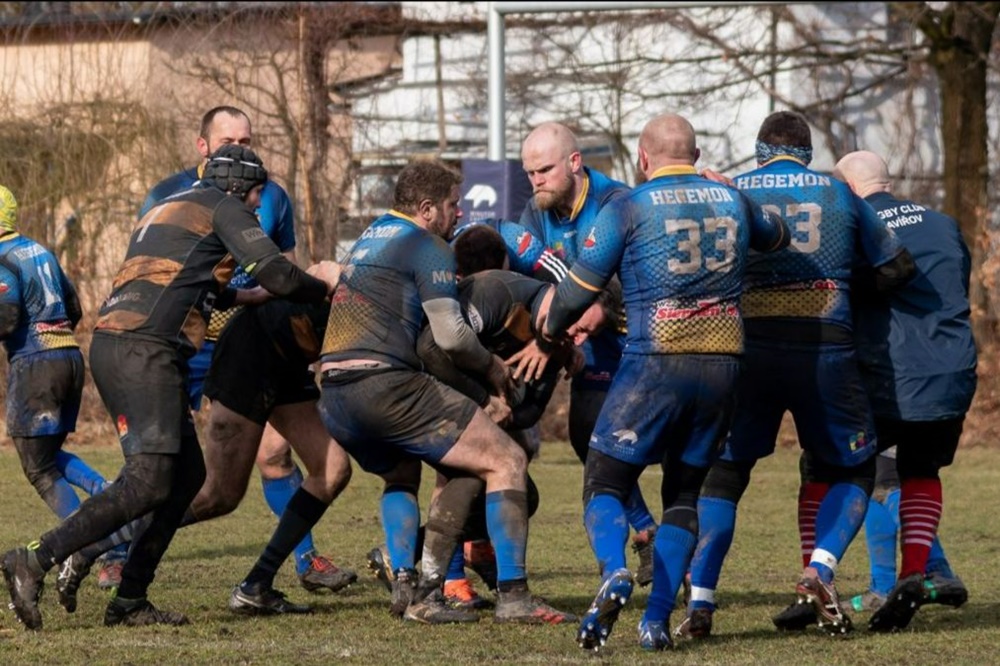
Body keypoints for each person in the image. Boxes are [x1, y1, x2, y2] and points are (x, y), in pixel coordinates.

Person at [0, 144, 336, 630]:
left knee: (185, 476)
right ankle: (34, 559)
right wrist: (323, 286)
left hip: (122, 344)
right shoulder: (224, 206)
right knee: (148, 479)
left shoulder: (170, 206)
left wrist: (247, 296)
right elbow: (278, 273)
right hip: (144, 351)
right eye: (257, 195)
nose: (258, 207)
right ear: (239, 186)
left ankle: (130, 597)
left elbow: (198, 281)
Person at [535, 113, 789, 652]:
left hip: (656, 361)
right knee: (684, 494)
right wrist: (733, 192)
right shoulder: (732, 198)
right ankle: (654, 621)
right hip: (724, 365)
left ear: (643, 159)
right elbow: (779, 235)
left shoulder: (628, 205)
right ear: (696, 157)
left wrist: (552, 329)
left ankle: (613, 570)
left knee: (604, 479)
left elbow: (580, 289)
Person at [679, 111, 915, 640]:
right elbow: (897, 268)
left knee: (725, 475)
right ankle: (820, 569)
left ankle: (700, 599)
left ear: (761, 150)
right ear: (807, 154)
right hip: (824, 349)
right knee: (854, 469)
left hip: (749, 349)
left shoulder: (734, 191)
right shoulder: (839, 194)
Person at [316, 158, 575, 625]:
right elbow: (450, 336)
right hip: (385, 383)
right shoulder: (427, 244)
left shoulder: (371, 237)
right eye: (454, 205)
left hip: (334, 392)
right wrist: (493, 374)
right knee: (506, 460)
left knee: (435, 472)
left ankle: (414, 587)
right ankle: (513, 596)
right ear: (427, 208)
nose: (460, 215)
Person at [140, 105, 354, 593]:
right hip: (189, 341)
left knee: (279, 456)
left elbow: (283, 267)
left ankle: (303, 559)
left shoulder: (272, 194)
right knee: (168, 469)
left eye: (247, 139)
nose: (240, 148)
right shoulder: (168, 194)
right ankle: (118, 547)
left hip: (256, 337)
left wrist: (306, 335)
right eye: (228, 141)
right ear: (202, 147)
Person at [832, 150, 977, 631]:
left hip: (891, 372)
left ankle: (824, 575)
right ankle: (913, 572)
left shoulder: (855, 225)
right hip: (953, 368)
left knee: (858, 473)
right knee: (920, 470)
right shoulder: (943, 223)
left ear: (849, 190)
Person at [517, 122, 659, 586]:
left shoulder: (617, 203)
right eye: (529, 172)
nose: (535, 180)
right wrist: (547, 332)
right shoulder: (535, 213)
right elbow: (531, 278)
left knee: (639, 449)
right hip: (584, 344)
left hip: (635, 338)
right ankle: (644, 535)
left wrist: (602, 305)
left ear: (574, 163)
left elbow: (632, 270)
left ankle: (672, 548)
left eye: (544, 170)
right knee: (587, 440)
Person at [0, 184, 126, 609]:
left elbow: (8, 314)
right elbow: (73, 307)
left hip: (36, 364)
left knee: (37, 468)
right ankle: (105, 491)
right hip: (69, 355)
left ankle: (92, 540)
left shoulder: (1, 259)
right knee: (51, 456)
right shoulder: (40, 250)